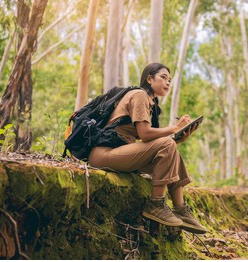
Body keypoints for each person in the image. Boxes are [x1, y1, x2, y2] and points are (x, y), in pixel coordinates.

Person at [88, 63, 208, 234]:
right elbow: (144, 134)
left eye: (170, 80)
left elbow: (156, 146)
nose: (167, 82)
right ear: (149, 79)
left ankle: (181, 209)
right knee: (167, 143)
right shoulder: (139, 95)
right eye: (163, 77)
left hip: (122, 152)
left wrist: (179, 137)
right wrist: (174, 128)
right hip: (104, 153)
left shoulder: (151, 104)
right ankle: (156, 204)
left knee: (172, 148)